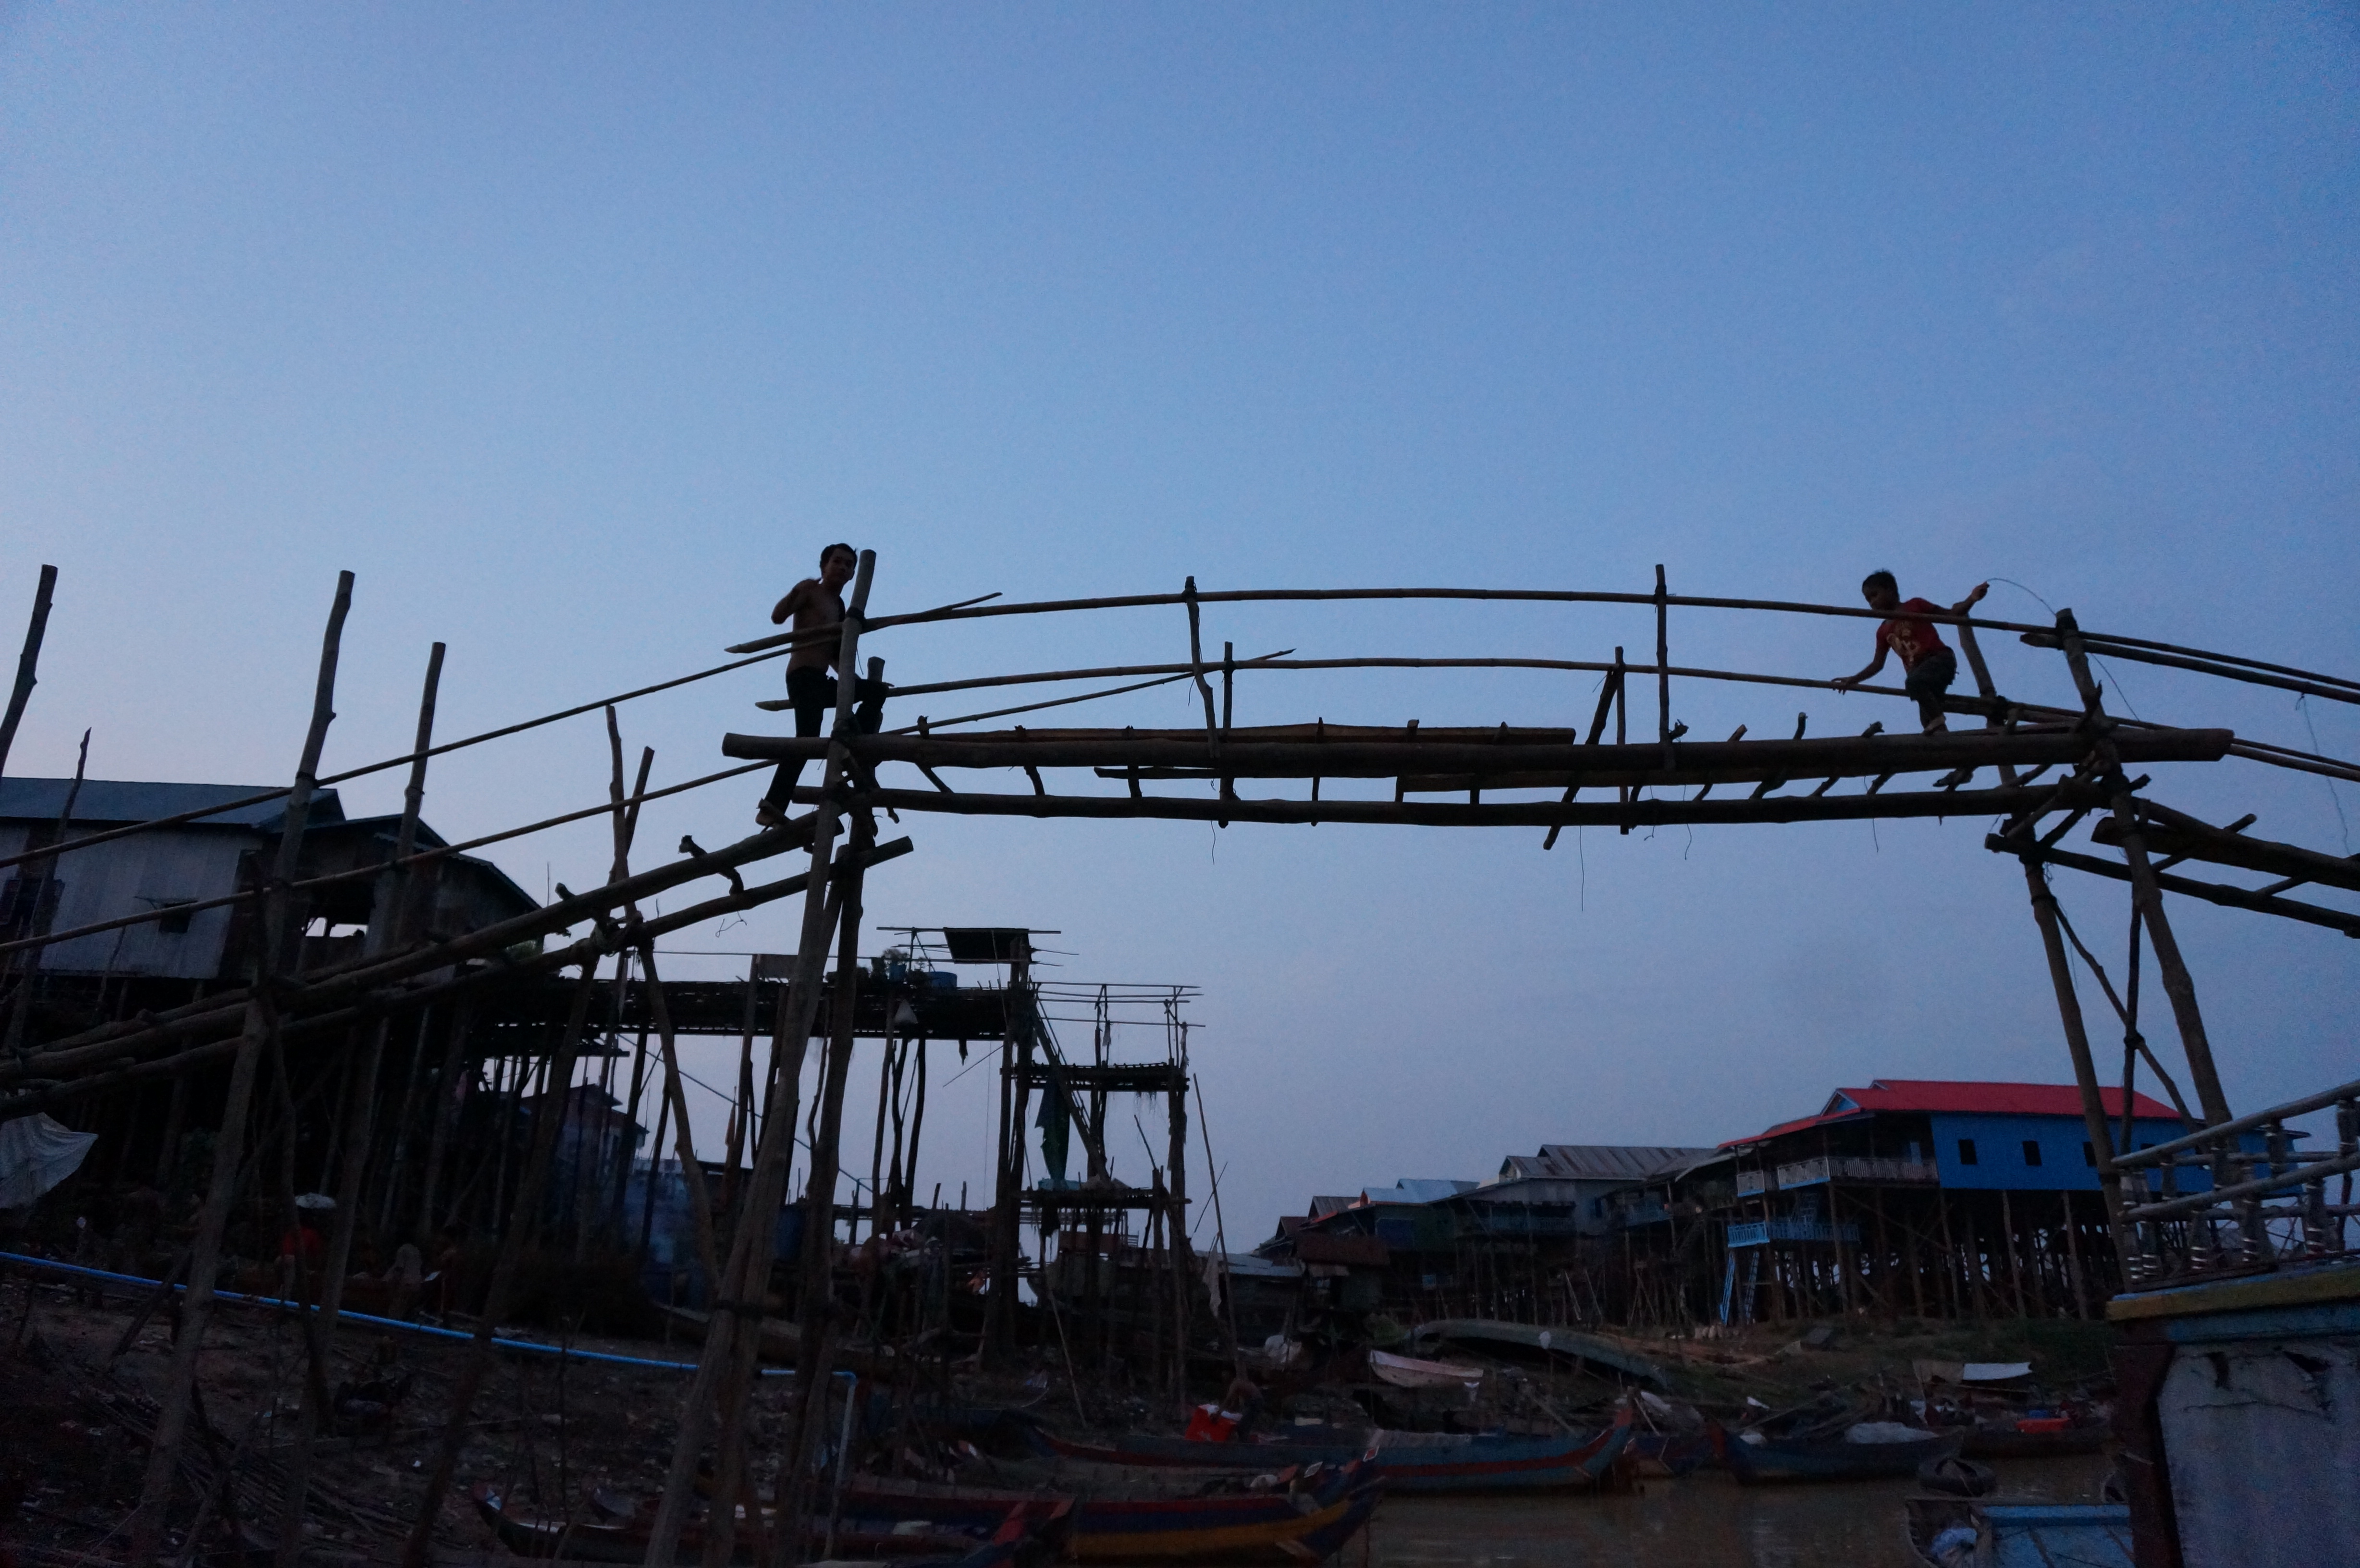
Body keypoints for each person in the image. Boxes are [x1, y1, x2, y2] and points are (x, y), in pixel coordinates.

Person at [757, 543, 858, 826]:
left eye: (849, 564)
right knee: (807, 739)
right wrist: (797, 592)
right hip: (803, 677)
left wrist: (852, 682)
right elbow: (777, 617)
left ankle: (856, 745)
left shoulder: (840, 607)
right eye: (837, 561)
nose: (843, 567)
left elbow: (836, 656)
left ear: (853, 574)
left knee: (874, 692)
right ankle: (771, 807)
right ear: (824, 566)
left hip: (822, 681)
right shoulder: (811, 591)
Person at [1832, 571, 1989, 733]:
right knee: (1927, 721)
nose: (1872, 602)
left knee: (1915, 685)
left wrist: (1972, 598)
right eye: (1868, 600)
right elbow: (1877, 664)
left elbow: (1952, 614)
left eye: (1875, 595)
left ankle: (1938, 721)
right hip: (1919, 673)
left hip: (1939, 660)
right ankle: (1944, 738)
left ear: (1890, 590)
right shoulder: (1883, 631)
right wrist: (1854, 679)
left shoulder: (1915, 605)